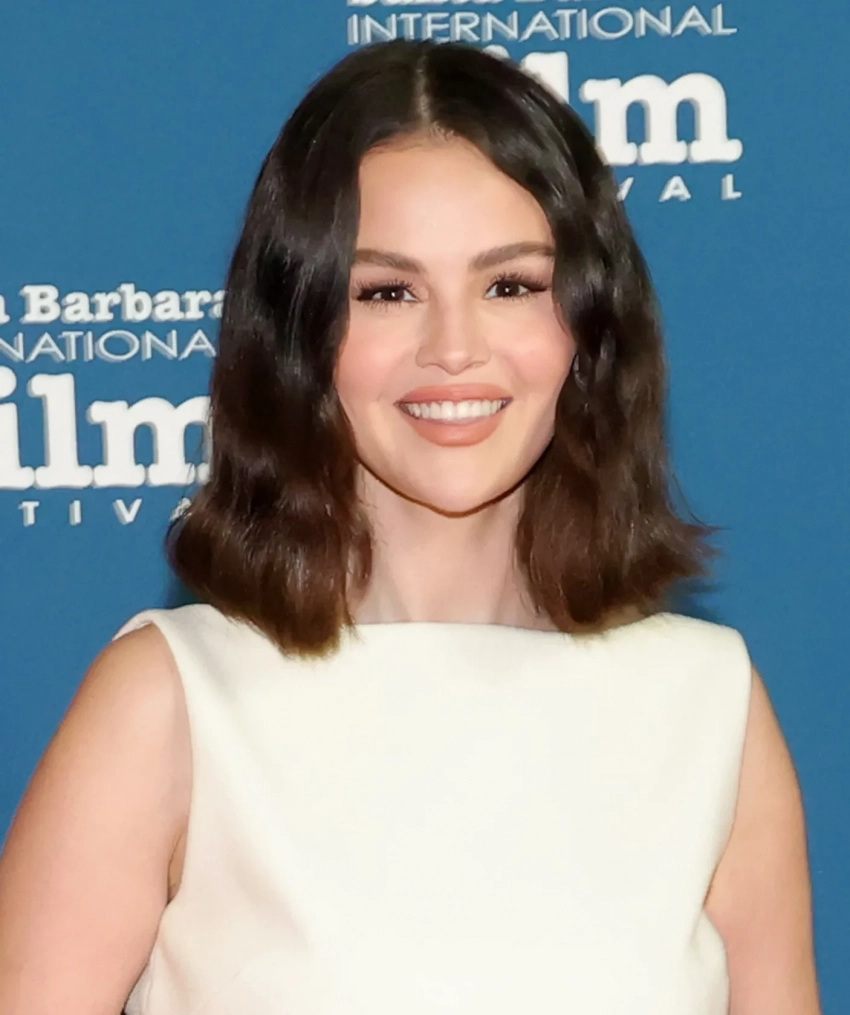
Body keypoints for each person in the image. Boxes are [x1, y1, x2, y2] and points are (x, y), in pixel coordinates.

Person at [0, 38, 821, 1015]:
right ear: (301, 332)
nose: (454, 348)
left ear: (587, 326)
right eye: (387, 292)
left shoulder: (707, 705)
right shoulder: (172, 701)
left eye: (510, 285)